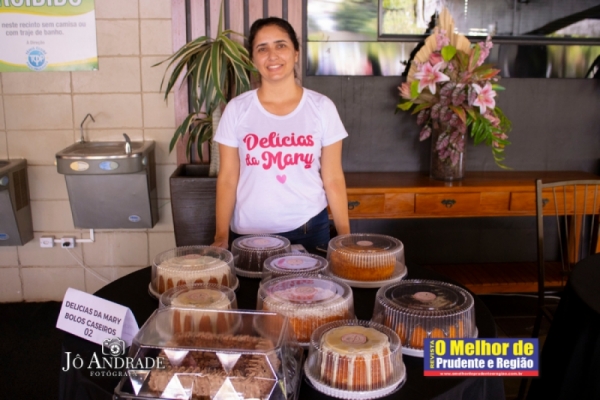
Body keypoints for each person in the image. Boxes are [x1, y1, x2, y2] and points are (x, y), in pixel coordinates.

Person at [211, 16, 350, 253]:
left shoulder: (321, 107)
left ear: (296, 53)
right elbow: (227, 178)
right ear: (253, 59)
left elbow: (333, 178)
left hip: (308, 230)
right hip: (248, 234)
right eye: (262, 48)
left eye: (281, 45)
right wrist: (221, 236)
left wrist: (345, 237)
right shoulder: (237, 109)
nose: (272, 55)